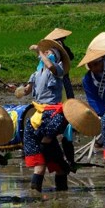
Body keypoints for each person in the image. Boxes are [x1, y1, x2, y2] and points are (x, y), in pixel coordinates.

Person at [21, 39, 71, 193]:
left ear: (55, 56)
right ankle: (36, 193)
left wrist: (39, 51)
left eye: (49, 52)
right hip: (37, 117)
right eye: (45, 51)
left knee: (57, 163)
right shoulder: (36, 73)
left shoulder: (58, 69)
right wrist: (16, 89)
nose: (46, 54)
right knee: (40, 164)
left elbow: (49, 65)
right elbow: (25, 91)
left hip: (51, 114)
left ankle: (61, 193)